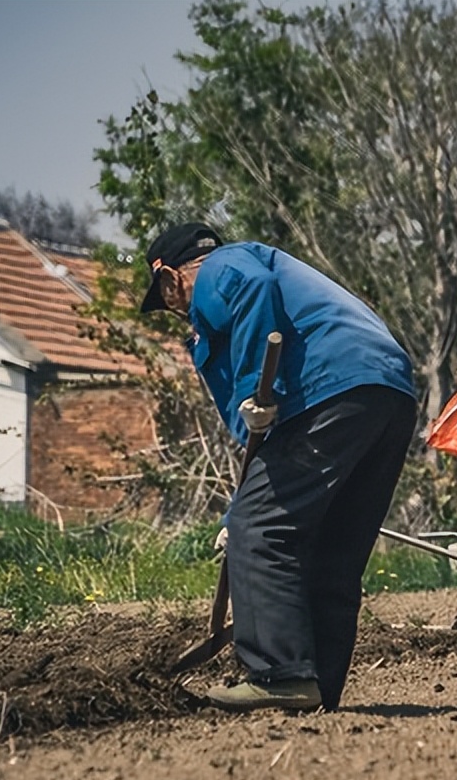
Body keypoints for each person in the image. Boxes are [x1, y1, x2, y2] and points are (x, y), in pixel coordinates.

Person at [141, 222, 417, 712]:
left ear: (169, 279)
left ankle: (279, 672)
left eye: (169, 302)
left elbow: (252, 289)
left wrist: (252, 390)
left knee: (262, 530)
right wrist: (238, 512)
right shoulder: (267, 277)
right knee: (332, 550)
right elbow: (266, 446)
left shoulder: (222, 267)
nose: (179, 312)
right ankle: (317, 685)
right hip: (386, 393)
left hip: (330, 388)